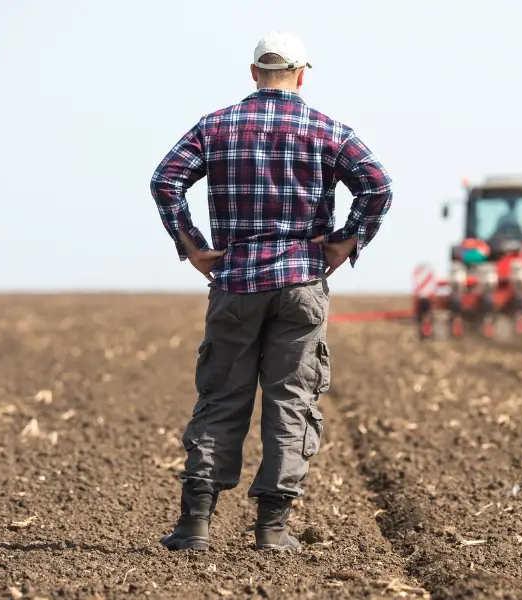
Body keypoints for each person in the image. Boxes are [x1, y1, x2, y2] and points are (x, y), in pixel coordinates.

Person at [149, 30, 393, 553]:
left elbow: (165, 180)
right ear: (303, 74)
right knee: (292, 401)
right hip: (301, 284)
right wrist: (346, 241)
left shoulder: (215, 126)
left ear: (253, 73)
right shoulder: (329, 130)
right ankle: (273, 529)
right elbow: (378, 186)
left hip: (235, 282)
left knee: (221, 398)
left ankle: (195, 526)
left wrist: (191, 246)